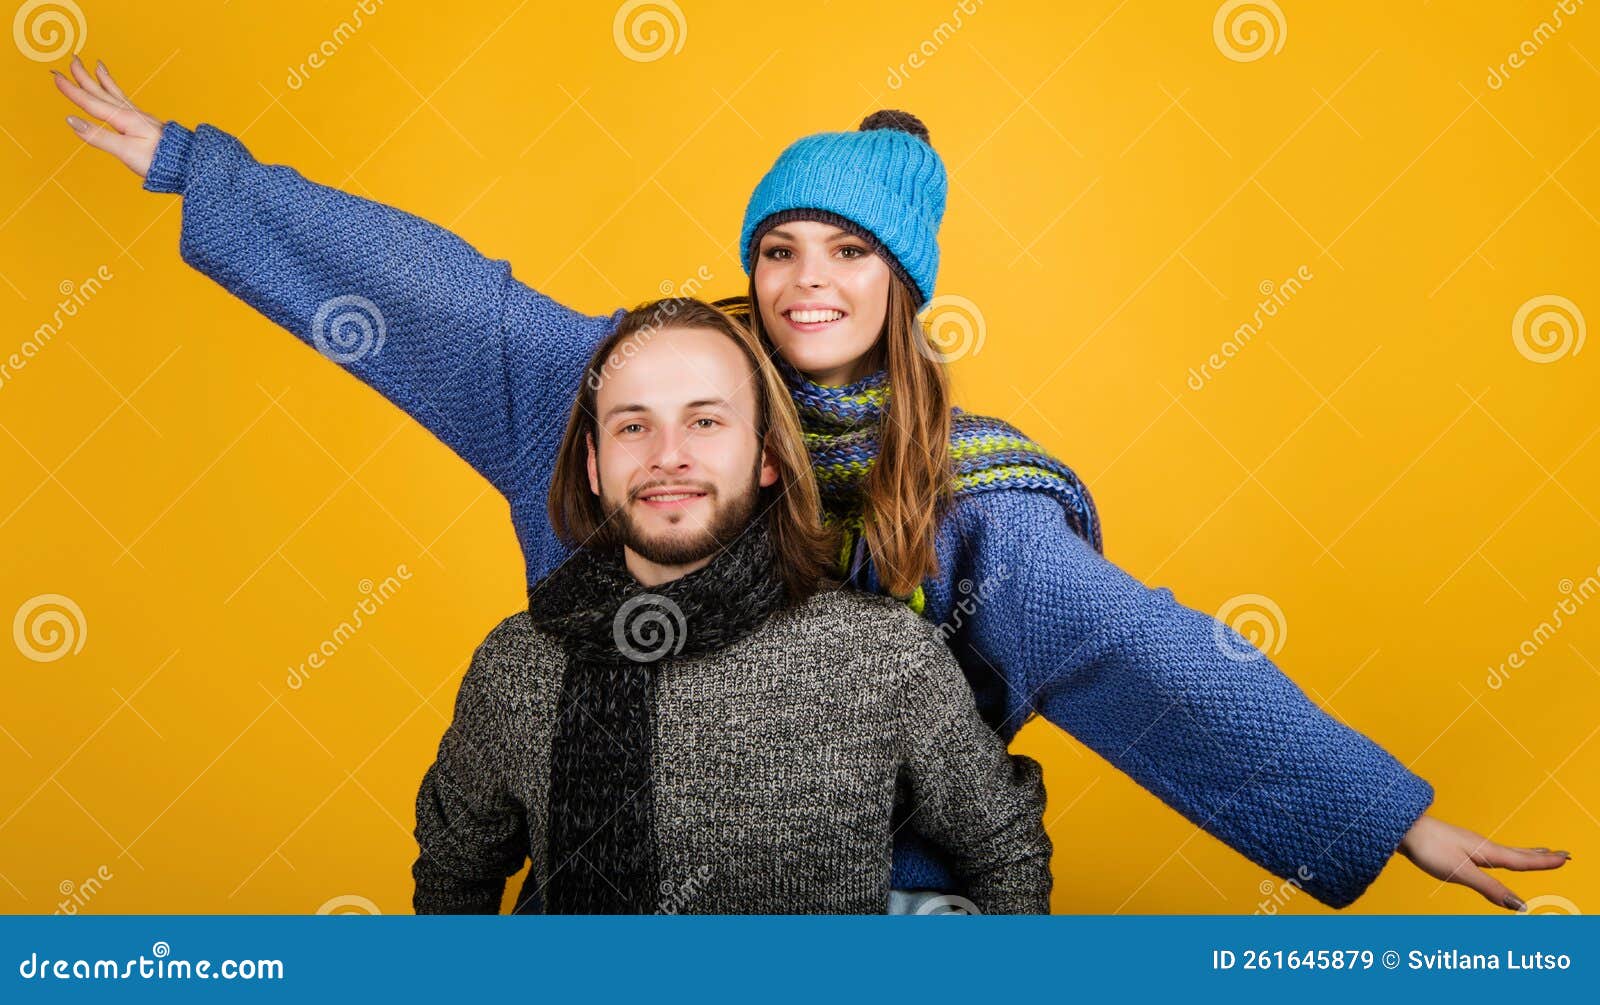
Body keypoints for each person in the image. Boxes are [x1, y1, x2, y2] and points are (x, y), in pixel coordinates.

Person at [54, 54, 1570, 912]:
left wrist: (1381, 811)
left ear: (903, 283)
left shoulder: (974, 497)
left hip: (879, 903)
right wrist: (204, 170)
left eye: (849, 250)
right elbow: (446, 297)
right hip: (625, 883)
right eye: (780, 244)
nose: (806, 279)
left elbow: (1140, 648)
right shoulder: (644, 394)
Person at [412, 298, 1052, 914]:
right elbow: (453, 875)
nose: (667, 456)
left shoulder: (881, 656)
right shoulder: (519, 667)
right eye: (633, 426)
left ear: (768, 455)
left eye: (706, 421)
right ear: (594, 465)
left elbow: (1002, 848)